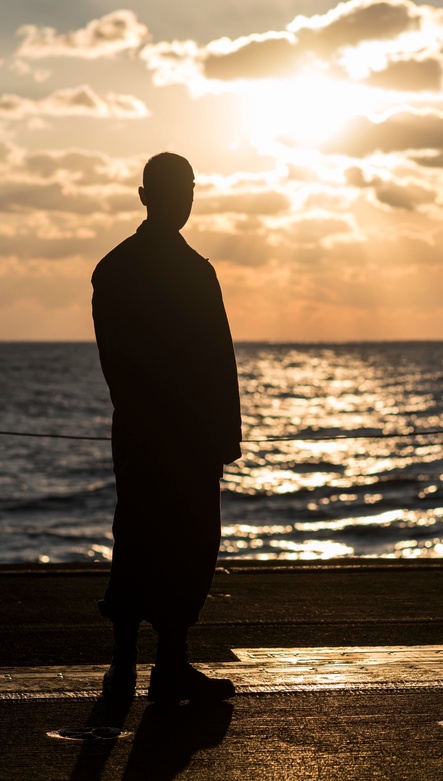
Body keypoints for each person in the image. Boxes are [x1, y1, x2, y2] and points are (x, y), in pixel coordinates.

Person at [92, 152, 242, 704]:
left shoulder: (177, 268)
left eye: (190, 188)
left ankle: (164, 665)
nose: (185, 198)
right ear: (145, 195)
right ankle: (128, 665)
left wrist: (223, 434)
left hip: (178, 436)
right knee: (144, 542)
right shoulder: (125, 269)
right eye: (176, 188)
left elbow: (217, 358)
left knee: (187, 544)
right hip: (158, 435)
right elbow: (121, 363)